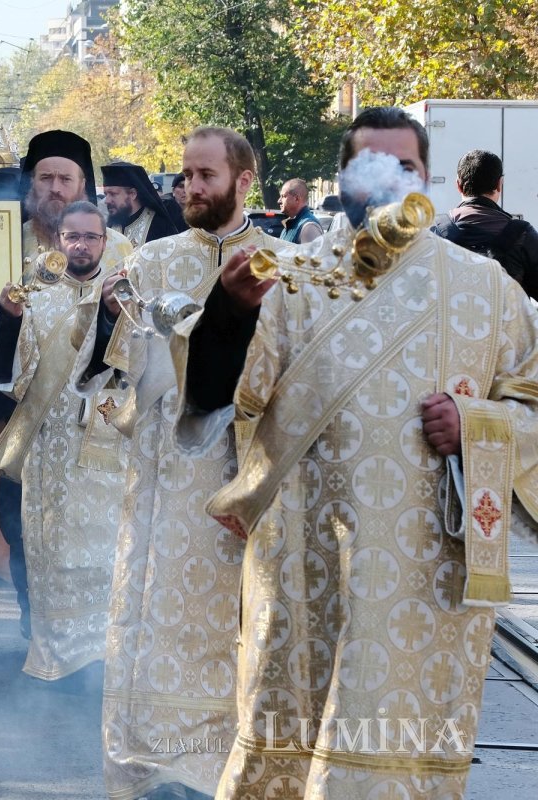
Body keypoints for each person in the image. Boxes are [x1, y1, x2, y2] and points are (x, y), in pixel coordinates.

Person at [176, 106, 538, 798]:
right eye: (369, 163)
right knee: (291, 742)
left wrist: (479, 424)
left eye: (405, 166)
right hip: (301, 563)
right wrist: (228, 313)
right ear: (340, 177)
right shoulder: (288, 275)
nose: (388, 179)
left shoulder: (486, 288)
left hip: (424, 578)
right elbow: (218, 403)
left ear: (427, 176)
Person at [77, 127, 294, 800]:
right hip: (166, 487)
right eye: (185, 176)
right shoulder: (148, 263)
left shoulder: (288, 266)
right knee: (161, 624)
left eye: (206, 175)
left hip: (254, 486)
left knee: (249, 629)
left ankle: (242, 767)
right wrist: (112, 319)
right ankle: (162, 768)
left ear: (244, 181)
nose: (191, 187)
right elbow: (104, 384)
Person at [0, 200, 128, 686]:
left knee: (106, 551)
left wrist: (111, 317)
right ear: (57, 242)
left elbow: (137, 364)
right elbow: (2, 377)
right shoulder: (33, 296)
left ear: (105, 242)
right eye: (72, 237)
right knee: (51, 552)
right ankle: (55, 656)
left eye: (91, 237)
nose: (81, 245)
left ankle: (104, 656)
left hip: (109, 444)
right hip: (48, 448)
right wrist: (6, 318)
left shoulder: (126, 295)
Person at [19, 130, 132, 278]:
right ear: (32, 183)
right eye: (46, 178)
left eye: (66, 179)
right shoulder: (14, 242)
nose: (55, 189)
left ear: (82, 185)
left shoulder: (118, 246)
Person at [433, 148, 538, 300]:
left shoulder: (434, 230)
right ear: (499, 184)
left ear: (458, 185)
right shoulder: (522, 234)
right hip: (505, 324)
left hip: (447, 323)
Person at [101, 161, 188, 248]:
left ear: (132, 194)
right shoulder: (110, 226)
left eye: (113, 194)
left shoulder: (159, 226)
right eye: (106, 194)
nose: (107, 200)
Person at [278, 177, 323, 244]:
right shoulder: (290, 225)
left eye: (283, 196)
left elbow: (314, 254)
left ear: (296, 199)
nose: (279, 201)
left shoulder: (309, 227)